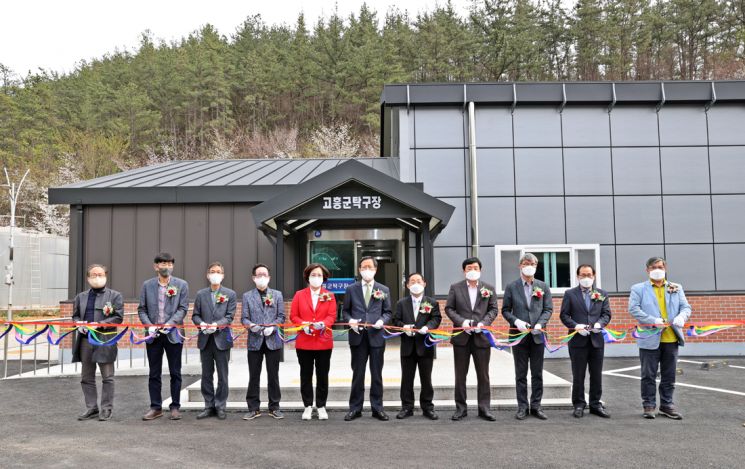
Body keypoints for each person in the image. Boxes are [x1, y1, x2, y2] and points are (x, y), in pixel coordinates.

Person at [629, 256, 691, 420]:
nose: (657, 270)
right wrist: (653, 320)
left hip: (671, 338)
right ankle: (648, 405)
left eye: (660, 267)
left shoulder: (676, 287)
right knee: (648, 374)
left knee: (669, 375)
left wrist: (682, 317)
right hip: (649, 338)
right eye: (654, 267)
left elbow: (686, 307)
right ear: (647, 270)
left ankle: (667, 404)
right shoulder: (638, 288)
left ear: (665, 268)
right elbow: (634, 309)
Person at [445, 257, 499, 421]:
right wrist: (462, 322)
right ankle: (460, 408)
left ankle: (484, 408)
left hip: (481, 337)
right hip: (461, 338)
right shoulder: (455, 288)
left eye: (475, 267)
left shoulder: (488, 288)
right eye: (469, 268)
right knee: (460, 375)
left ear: (480, 270)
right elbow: (449, 308)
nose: (472, 270)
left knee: (483, 375)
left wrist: (483, 323)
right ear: (464, 271)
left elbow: (494, 309)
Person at [138, 252, 189, 421]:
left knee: (175, 372)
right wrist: (149, 325)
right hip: (153, 335)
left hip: (173, 333)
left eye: (169, 264)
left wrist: (170, 323)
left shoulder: (181, 285)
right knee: (154, 372)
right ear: (156, 266)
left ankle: (175, 406)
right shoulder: (147, 285)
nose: (166, 266)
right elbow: (142, 309)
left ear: (172, 266)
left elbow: (183, 308)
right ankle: (155, 407)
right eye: (162, 263)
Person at [502, 253, 553, 421]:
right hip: (519, 336)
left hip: (538, 336)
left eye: (532, 263)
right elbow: (506, 310)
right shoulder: (511, 286)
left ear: (536, 266)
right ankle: (522, 407)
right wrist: (515, 321)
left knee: (537, 373)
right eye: (525, 263)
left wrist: (540, 323)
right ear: (520, 266)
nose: (528, 265)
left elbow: (548, 309)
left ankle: (536, 406)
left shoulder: (543, 286)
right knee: (521, 373)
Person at [342, 256, 392, 421]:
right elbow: (346, 311)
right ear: (359, 269)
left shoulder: (383, 289)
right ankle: (355, 408)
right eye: (364, 267)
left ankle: (377, 408)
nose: (367, 270)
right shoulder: (351, 289)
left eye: (370, 267)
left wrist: (381, 321)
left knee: (377, 374)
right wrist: (350, 321)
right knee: (358, 374)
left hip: (377, 337)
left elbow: (388, 312)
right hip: (357, 338)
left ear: (375, 269)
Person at [71, 264, 124, 421]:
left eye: (100, 274)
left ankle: (106, 408)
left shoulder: (114, 296)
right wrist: (78, 324)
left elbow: (118, 318)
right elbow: (74, 316)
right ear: (88, 278)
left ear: (106, 276)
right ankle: (91, 407)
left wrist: (99, 324)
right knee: (86, 377)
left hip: (104, 341)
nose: (97, 277)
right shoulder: (80, 297)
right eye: (93, 275)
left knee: (108, 377)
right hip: (85, 341)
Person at [559, 264, 612, 418]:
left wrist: (599, 324)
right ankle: (579, 404)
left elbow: (606, 314)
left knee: (596, 374)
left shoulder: (602, 294)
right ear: (578, 276)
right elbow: (564, 315)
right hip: (577, 341)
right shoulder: (570, 294)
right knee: (578, 374)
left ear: (594, 276)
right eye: (583, 275)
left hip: (596, 340)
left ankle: (595, 404)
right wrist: (575, 326)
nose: (586, 278)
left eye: (589, 274)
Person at [289, 263, 337, 421]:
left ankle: (321, 405)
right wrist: (303, 325)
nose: (316, 278)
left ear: (324, 278)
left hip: (323, 341)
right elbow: (293, 316)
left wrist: (324, 324)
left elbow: (332, 315)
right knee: (306, 374)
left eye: (319, 275)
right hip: (305, 341)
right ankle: (308, 405)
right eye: (313, 275)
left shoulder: (329, 295)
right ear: (308, 277)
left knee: (323, 375)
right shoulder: (299, 295)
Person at [392, 272, 442, 420]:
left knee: (426, 379)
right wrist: (403, 327)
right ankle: (407, 407)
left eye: (418, 281)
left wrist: (428, 327)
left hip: (425, 347)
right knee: (407, 379)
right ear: (407, 285)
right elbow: (395, 320)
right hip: (407, 347)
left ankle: (427, 407)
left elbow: (436, 318)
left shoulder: (432, 302)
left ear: (424, 283)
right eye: (412, 281)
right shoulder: (401, 303)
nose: (415, 284)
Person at [192, 261, 237, 420]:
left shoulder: (230, 294)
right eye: (212, 271)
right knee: (206, 374)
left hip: (221, 339)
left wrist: (217, 325)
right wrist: (202, 324)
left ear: (223, 275)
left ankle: (220, 406)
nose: (215, 274)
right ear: (207, 275)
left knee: (223, 375)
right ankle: (208, 405)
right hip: (205, 339)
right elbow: (195, 315)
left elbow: (230, 316)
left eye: (218, 271)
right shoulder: (200, 294)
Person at [241, 264, 285, 420]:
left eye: (264, 275)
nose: (262, 277)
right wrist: (251, 326)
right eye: (258, 275)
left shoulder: (277, 295)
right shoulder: (247, 296)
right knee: (254, 375)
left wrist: (273, 327)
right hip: (255, 340)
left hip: (273, 341)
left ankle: (274, 407)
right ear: (253, 278)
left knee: (273, 375)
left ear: (269, 277)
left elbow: (281, 317)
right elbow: (244, 318)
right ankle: (253, 408)